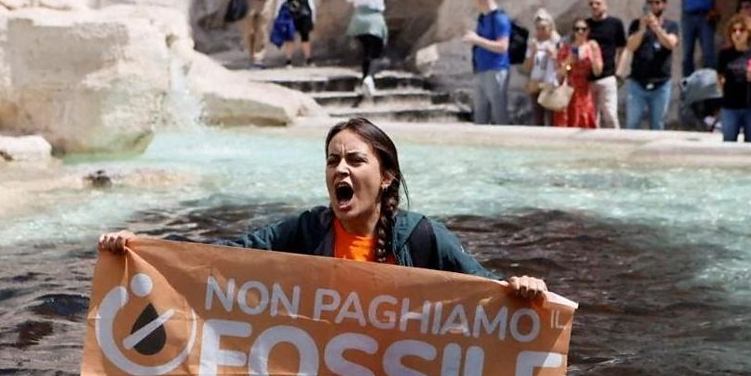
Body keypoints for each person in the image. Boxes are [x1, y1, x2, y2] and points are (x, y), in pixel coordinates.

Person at [97, 117, 548, 299]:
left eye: (355, 160)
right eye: (333, 160)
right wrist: (144, 250)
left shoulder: (424, 237)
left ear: (386, 176)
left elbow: (490, 290)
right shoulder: (306, 231)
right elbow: (221, 257)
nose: (340, 170)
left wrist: (524, 289)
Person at [620, 0, 680, 131]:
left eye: (657, 2)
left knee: (657, 124)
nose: (654, 6)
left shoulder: (671, 26)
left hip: (661, 83)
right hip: (638, 82)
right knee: (632, 123)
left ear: (664, 5)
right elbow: (630, 46)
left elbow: (670, 44)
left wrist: (657, 28)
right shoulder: (636, 24)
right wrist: (642, 29)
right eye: (650, 3)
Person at [345, 0, 397, 99]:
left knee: (366, 51)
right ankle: (368, 78)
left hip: (359, 18)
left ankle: (366, 80)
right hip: (374, 19)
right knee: (375, 52)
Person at [463, 0, 511, 125]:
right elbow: (483, 41)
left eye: (476, 1)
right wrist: (474, 42)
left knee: (498, 112)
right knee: (480, 113)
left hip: (496, 69)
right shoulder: (482, 18)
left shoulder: (500, 18)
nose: (475, 5)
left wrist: (477, 40)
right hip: (480, 70)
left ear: (481, 0)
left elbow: (503, 46)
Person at [716, 14, 751, 142]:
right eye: (734, 30)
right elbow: (720, 77)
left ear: (749, 33)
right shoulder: (724, 54)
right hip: (730, 106)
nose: (737, 33)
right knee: (729, 143)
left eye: (741, 30)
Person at [585, 0, 627, 129]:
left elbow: (623, 48)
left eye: (598, 3)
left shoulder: (615, 24)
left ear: (605, 5)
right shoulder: (584, 26)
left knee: (610, 115)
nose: (594, 6)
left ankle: (617, 142)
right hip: (588, 78)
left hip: (608, 76)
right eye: (591, 4)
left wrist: (619, 72)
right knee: (591, 116)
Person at [553, 19, 602, 129]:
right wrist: (570, 60)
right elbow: (562, 72)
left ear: (588, 31)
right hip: (569, 88)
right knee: (567, 120)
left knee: (584, 118)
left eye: (583, 29)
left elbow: (597, 71)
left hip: (584, 89)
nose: (580, 32)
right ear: (573, 31)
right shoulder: (566, 48)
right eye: (577, 29)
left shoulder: (592, 47)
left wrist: (593, 56)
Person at [523, 9, 561, 126]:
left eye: (543, 28)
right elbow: (526, 68)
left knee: (552, 118)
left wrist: (554, 56)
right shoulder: (533, 44)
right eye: (538, 28)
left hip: (551, 84)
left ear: (550, 28)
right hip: (536, 84)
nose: (540, 31)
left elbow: (566, 66)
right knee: (538, 117)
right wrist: (533, 53)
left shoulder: (557, 43)